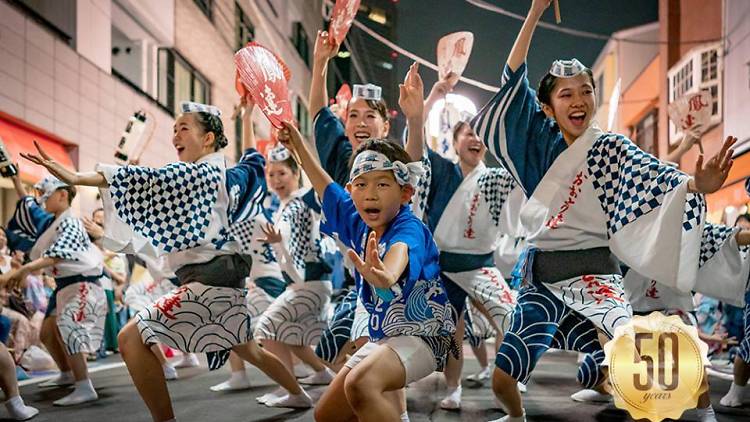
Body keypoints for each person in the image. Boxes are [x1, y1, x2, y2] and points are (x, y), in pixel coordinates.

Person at [471, 1, 739, 420]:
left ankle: (702, 410)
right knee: (503, 379)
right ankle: (516, 415)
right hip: (541, 278)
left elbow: (653, 177)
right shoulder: (535, 144)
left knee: (645, 349)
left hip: (596, 275)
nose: (579, 101)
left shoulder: (610, 148)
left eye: (586, 90)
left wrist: (693, 184)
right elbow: (511, 81)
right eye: (566, 94)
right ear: (547, 107)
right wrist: (535, 12)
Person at [22, 100, 311, 421]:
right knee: (248, 348)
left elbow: (146, 179)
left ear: (208, 139)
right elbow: (251, 159)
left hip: (211, 279)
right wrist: (245, 116)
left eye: (184, 127)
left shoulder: (201, 174)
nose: (175, 134)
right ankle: (298, 395)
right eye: (174, 129)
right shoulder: (221, 173)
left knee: (130, 338)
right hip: (221, 278)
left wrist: (77, 177)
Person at [276, 118, 456, 421]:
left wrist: (385, 275)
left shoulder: (408, 227)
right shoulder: (356, 218)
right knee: (326, 414)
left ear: (405, 193)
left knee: (362, 384)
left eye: (382, 184)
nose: (370, 194)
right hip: (383, 336)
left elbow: (399, 255)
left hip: (424, 336)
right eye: (361, 185)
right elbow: (323, 184)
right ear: (351, 190)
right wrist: (297, 144)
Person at [401, 63, 520, 409]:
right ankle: (453, 387)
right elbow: (416, 138)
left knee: (509, 316)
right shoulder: (440, 170)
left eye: (479, 134)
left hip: (482, 265)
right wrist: (435, 95)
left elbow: (522, 195)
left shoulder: (496, 177)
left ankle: (506, 381)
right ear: (454, 142)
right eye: (467, 133)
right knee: (450, 329)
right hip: (443, 266)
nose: (475, 138)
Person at [0, 177, 107, 407]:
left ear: (62, 195)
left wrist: (26, 268)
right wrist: (16, 179)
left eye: (47, 195)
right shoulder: (52, 221)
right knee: (47, 332)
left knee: (70, 327)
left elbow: (62, 253)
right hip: (63, 285)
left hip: (82, 282)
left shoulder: (72, 222)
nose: (42, 200)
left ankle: (84, 385)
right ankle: (67, 373)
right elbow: (29, 207)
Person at [253, 144, 336, 397]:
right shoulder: (285, 204)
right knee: (292, 334)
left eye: (282, 174)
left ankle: (291, 391)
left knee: (266, 327)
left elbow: (295, 239)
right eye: (272, 174)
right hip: (305, 283)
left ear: (295, 174)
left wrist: (279, 243)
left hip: (309, 283)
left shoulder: (302, 201)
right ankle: (321, 373)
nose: (276, 180)